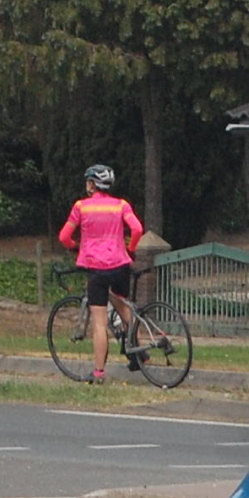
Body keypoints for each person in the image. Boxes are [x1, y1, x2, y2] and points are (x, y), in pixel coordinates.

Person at [58, 164, 143, 382]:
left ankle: (98, 372)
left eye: (88, 181)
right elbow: (137, 229)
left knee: (99, 323)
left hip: (96, 269)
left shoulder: (81, 207)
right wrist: (130, 249)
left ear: (92, 184)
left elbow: (64, 236)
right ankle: (139, 351)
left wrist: (75, 247)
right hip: (120, 265)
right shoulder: (121, 205)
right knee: (124, 309)